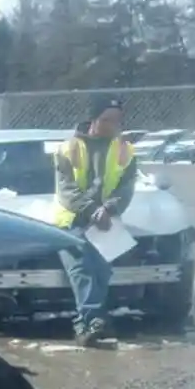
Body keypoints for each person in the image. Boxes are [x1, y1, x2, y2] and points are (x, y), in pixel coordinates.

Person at [52, 95, 140, 347]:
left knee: (101, 271)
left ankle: (89, 323)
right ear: (93, 119)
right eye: (106, 119)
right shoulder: (67, 149)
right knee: (82, 269)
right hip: (72, 220)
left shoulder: (125, 149)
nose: (113, 125)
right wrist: (92, 210)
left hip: (105, 222)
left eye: (117, 120)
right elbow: (66, 189)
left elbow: (126, 187)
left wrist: (109, 209)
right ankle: (92, 321)